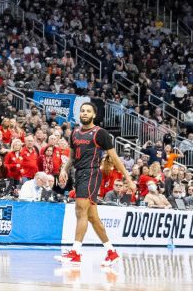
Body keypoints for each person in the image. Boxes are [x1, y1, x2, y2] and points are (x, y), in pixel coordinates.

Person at [55, 103, 127, 267]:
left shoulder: (100, 133)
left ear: (94, 115)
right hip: (79, 174)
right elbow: (72, 158)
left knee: (80, 210)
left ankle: (76, 253)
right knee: (93, 218)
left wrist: (128, 179)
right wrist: (64, 170)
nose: (85, 113)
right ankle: (111, 252)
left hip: (92, 173)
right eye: (82, 111)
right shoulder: (74, 133)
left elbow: (114, 158)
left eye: (88, 111)